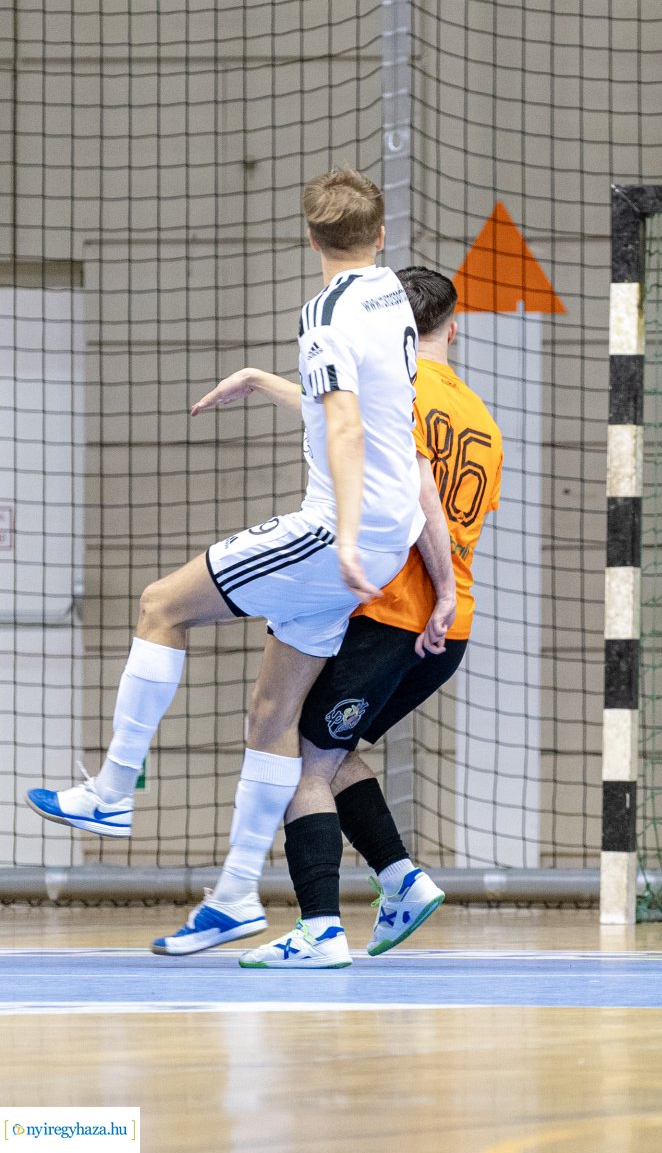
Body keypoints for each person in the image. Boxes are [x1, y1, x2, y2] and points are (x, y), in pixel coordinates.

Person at [26, 168, 447, 958]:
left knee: (160, 605)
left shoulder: (324, 314)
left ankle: (113, 790)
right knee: (271, 719)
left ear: (309, 238)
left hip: (337, 534)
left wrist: (345, 536)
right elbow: (357, 410)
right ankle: (232, 897)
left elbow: (348, 428)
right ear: (379, 235)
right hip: (390, 533)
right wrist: (265, 382)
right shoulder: (391, 295)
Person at [187, 267, 502, 969]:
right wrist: (266, 383)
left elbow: (410, 491)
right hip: (448, 632)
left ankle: (321, 927)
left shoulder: (401, 394)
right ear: (454, 326)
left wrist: (433, 587)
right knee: (331, 753)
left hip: (395, 615)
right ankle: (399, 878)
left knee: (298, 755)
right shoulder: (479, 418)